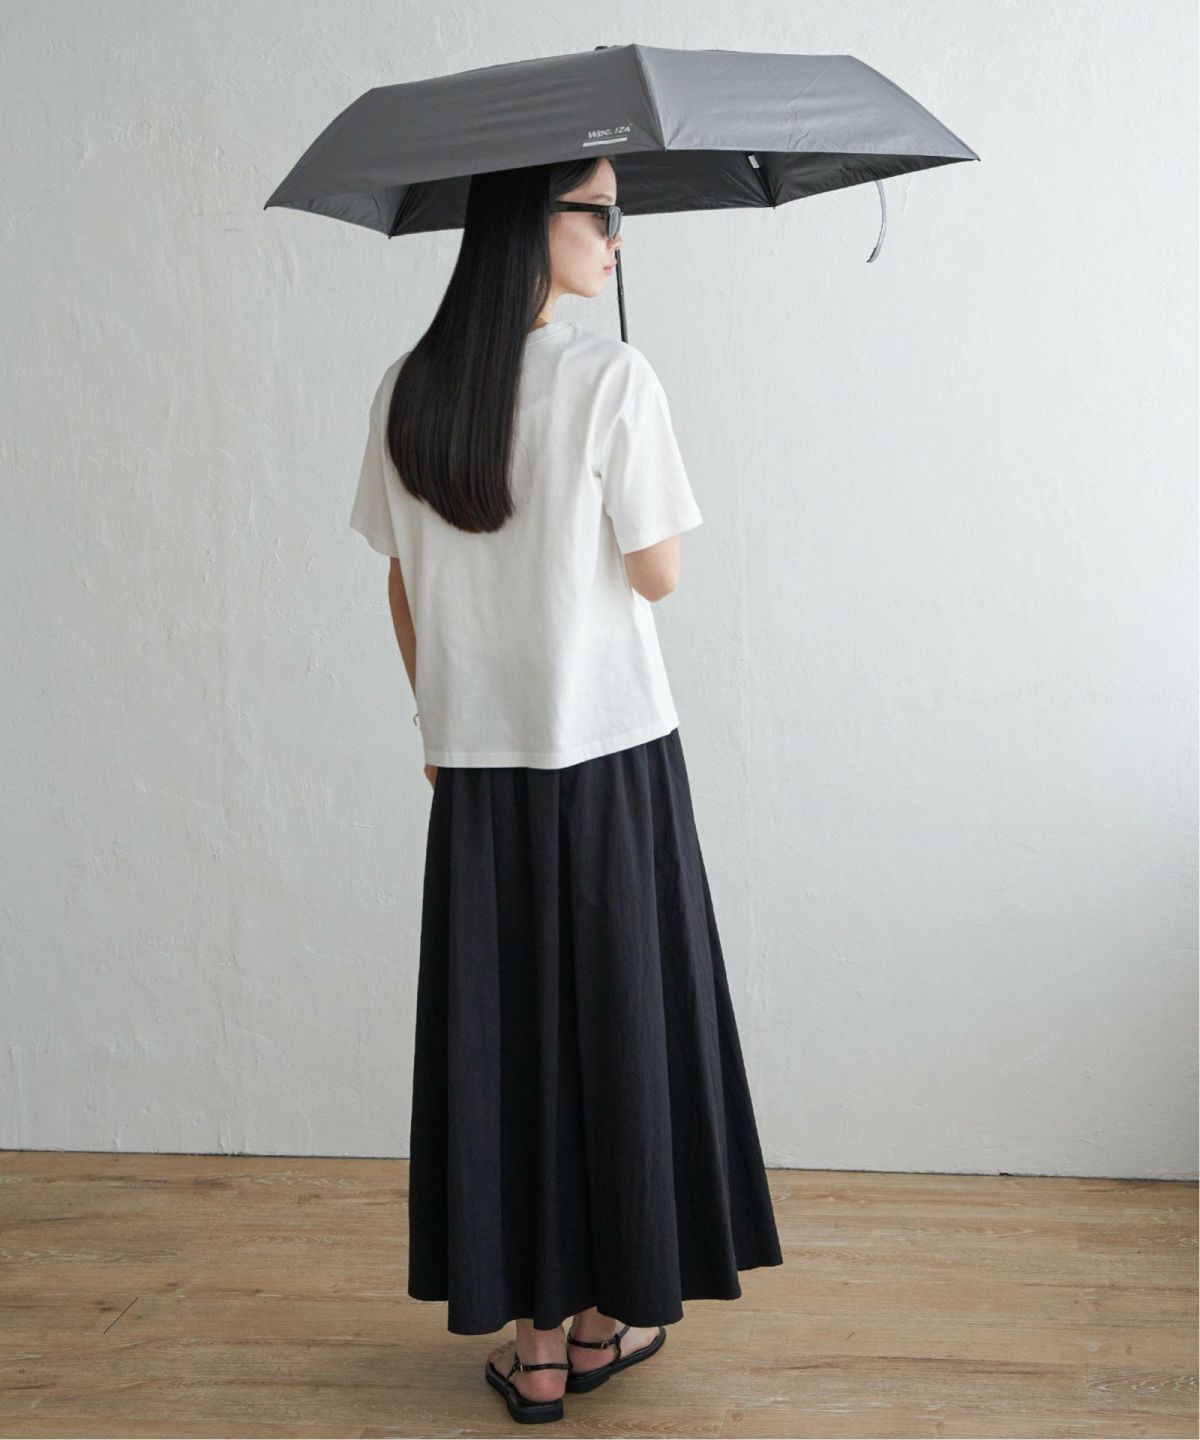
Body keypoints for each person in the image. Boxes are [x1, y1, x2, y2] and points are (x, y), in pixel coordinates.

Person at [349, 152, 783, 1424]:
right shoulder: (612, 377)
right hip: (610, 754)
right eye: (599, 211)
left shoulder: (409, 385)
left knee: (503, 1042)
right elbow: (657, 575)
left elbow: (399, 579)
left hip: (478, 768)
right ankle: (604, 1319)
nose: (616, 235)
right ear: (532, 219)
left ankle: (534, 1348)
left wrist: (437, 722)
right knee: (622, 1028)